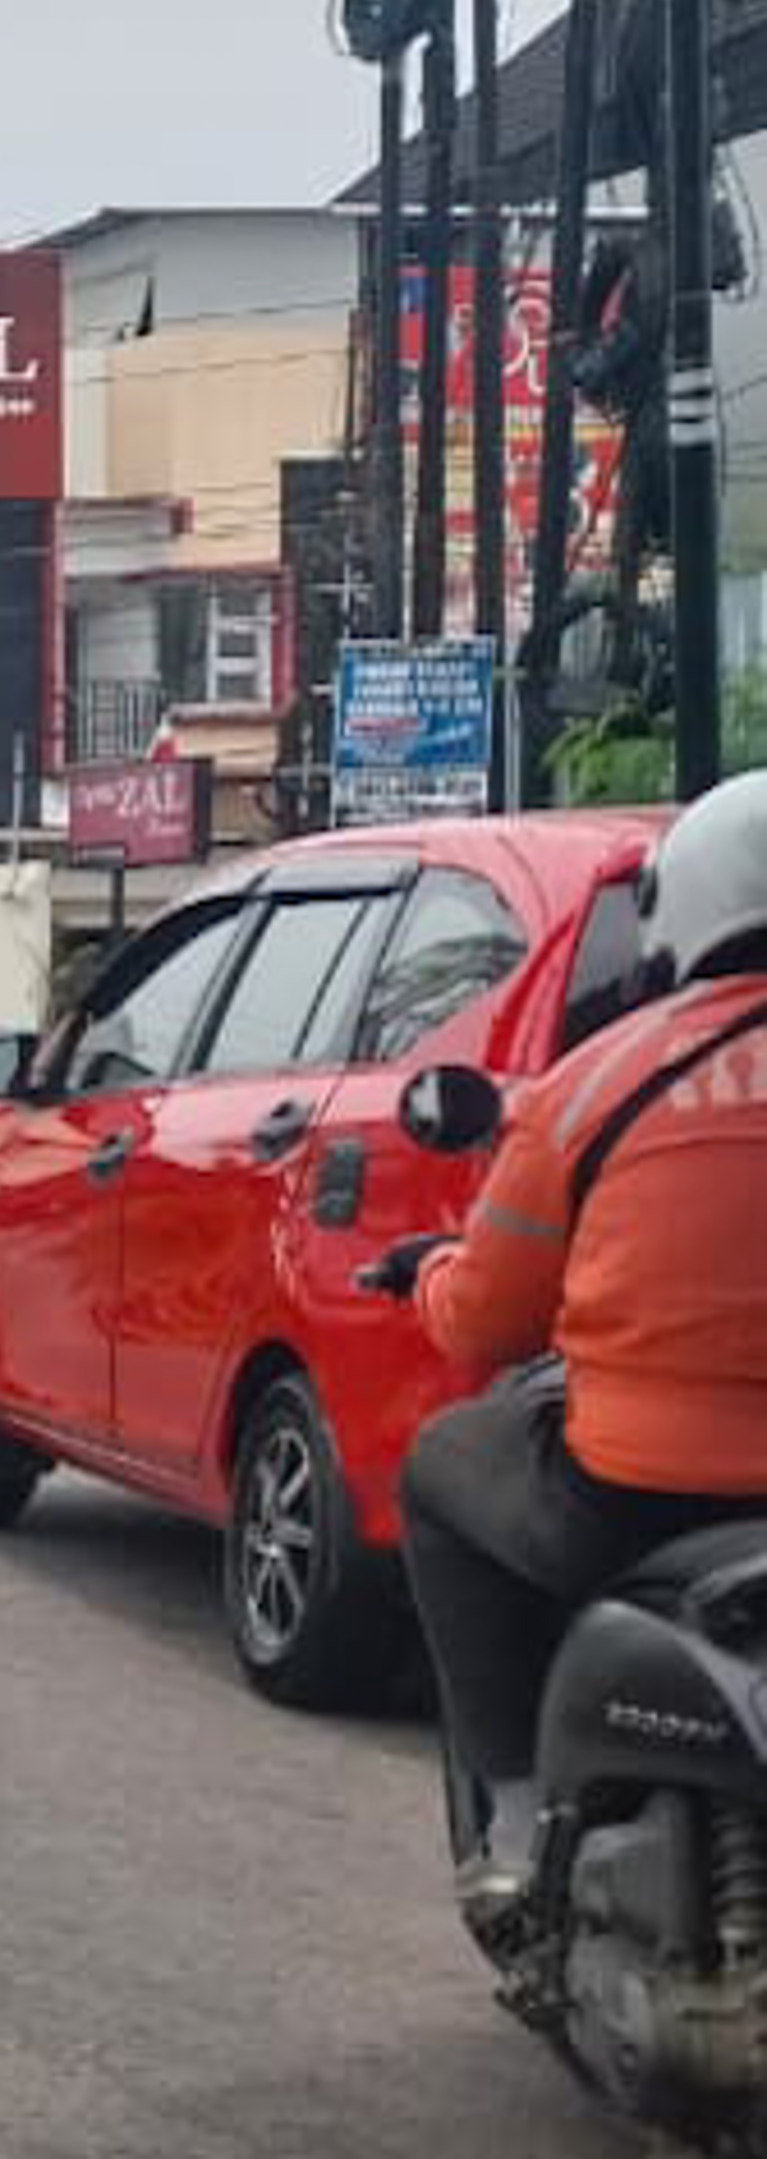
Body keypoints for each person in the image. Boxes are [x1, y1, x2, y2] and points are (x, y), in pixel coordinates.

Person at [390, 766, 767, 1927]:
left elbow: (487, 1322)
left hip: (639, 1495)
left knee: (438, 1468)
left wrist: (429, 1276)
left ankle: (507, 1806)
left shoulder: (594, 1083)